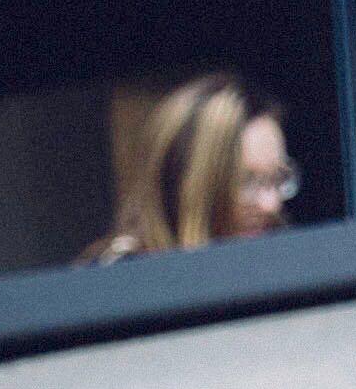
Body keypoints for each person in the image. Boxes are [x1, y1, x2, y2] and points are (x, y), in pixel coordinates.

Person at [85, 72, 297, 260]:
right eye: (245, 181)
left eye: (277, 179)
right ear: (184, 186)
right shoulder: (120, 279)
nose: (271, 205)